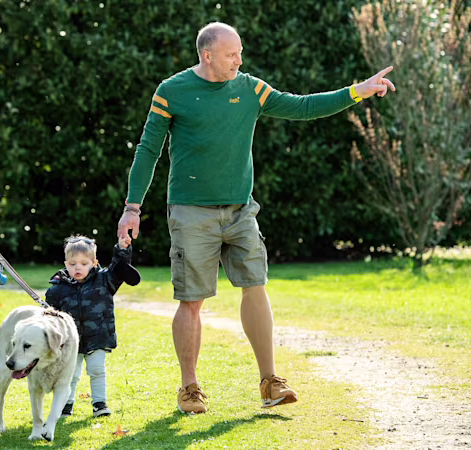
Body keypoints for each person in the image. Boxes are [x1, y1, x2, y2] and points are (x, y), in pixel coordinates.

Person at [117, 22, 395, 414]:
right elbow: (148, 150)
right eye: (232, 54)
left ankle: (270, 382)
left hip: (241, 209)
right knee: (191, 299)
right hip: (191, 211)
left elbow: (302, 106)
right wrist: (132, 207)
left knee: (255, 284)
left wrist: (357, 92)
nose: (239, 60)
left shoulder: (249, 88)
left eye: (240, 52)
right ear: (207, 55)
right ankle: (189, 388)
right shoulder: (171, 91)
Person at [45, 234, 140, 418]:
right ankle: (66, 404)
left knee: (97, 370)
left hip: (98, 336)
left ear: (94, 263)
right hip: (70, 341)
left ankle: (99, 403)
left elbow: (119, 267)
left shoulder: (105, 281)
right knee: (70, 373)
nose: (77, 267)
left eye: (83, 263)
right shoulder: (57, 288)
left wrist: (122, 248)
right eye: (72, 264)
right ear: (66, 264)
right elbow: (51, 316)